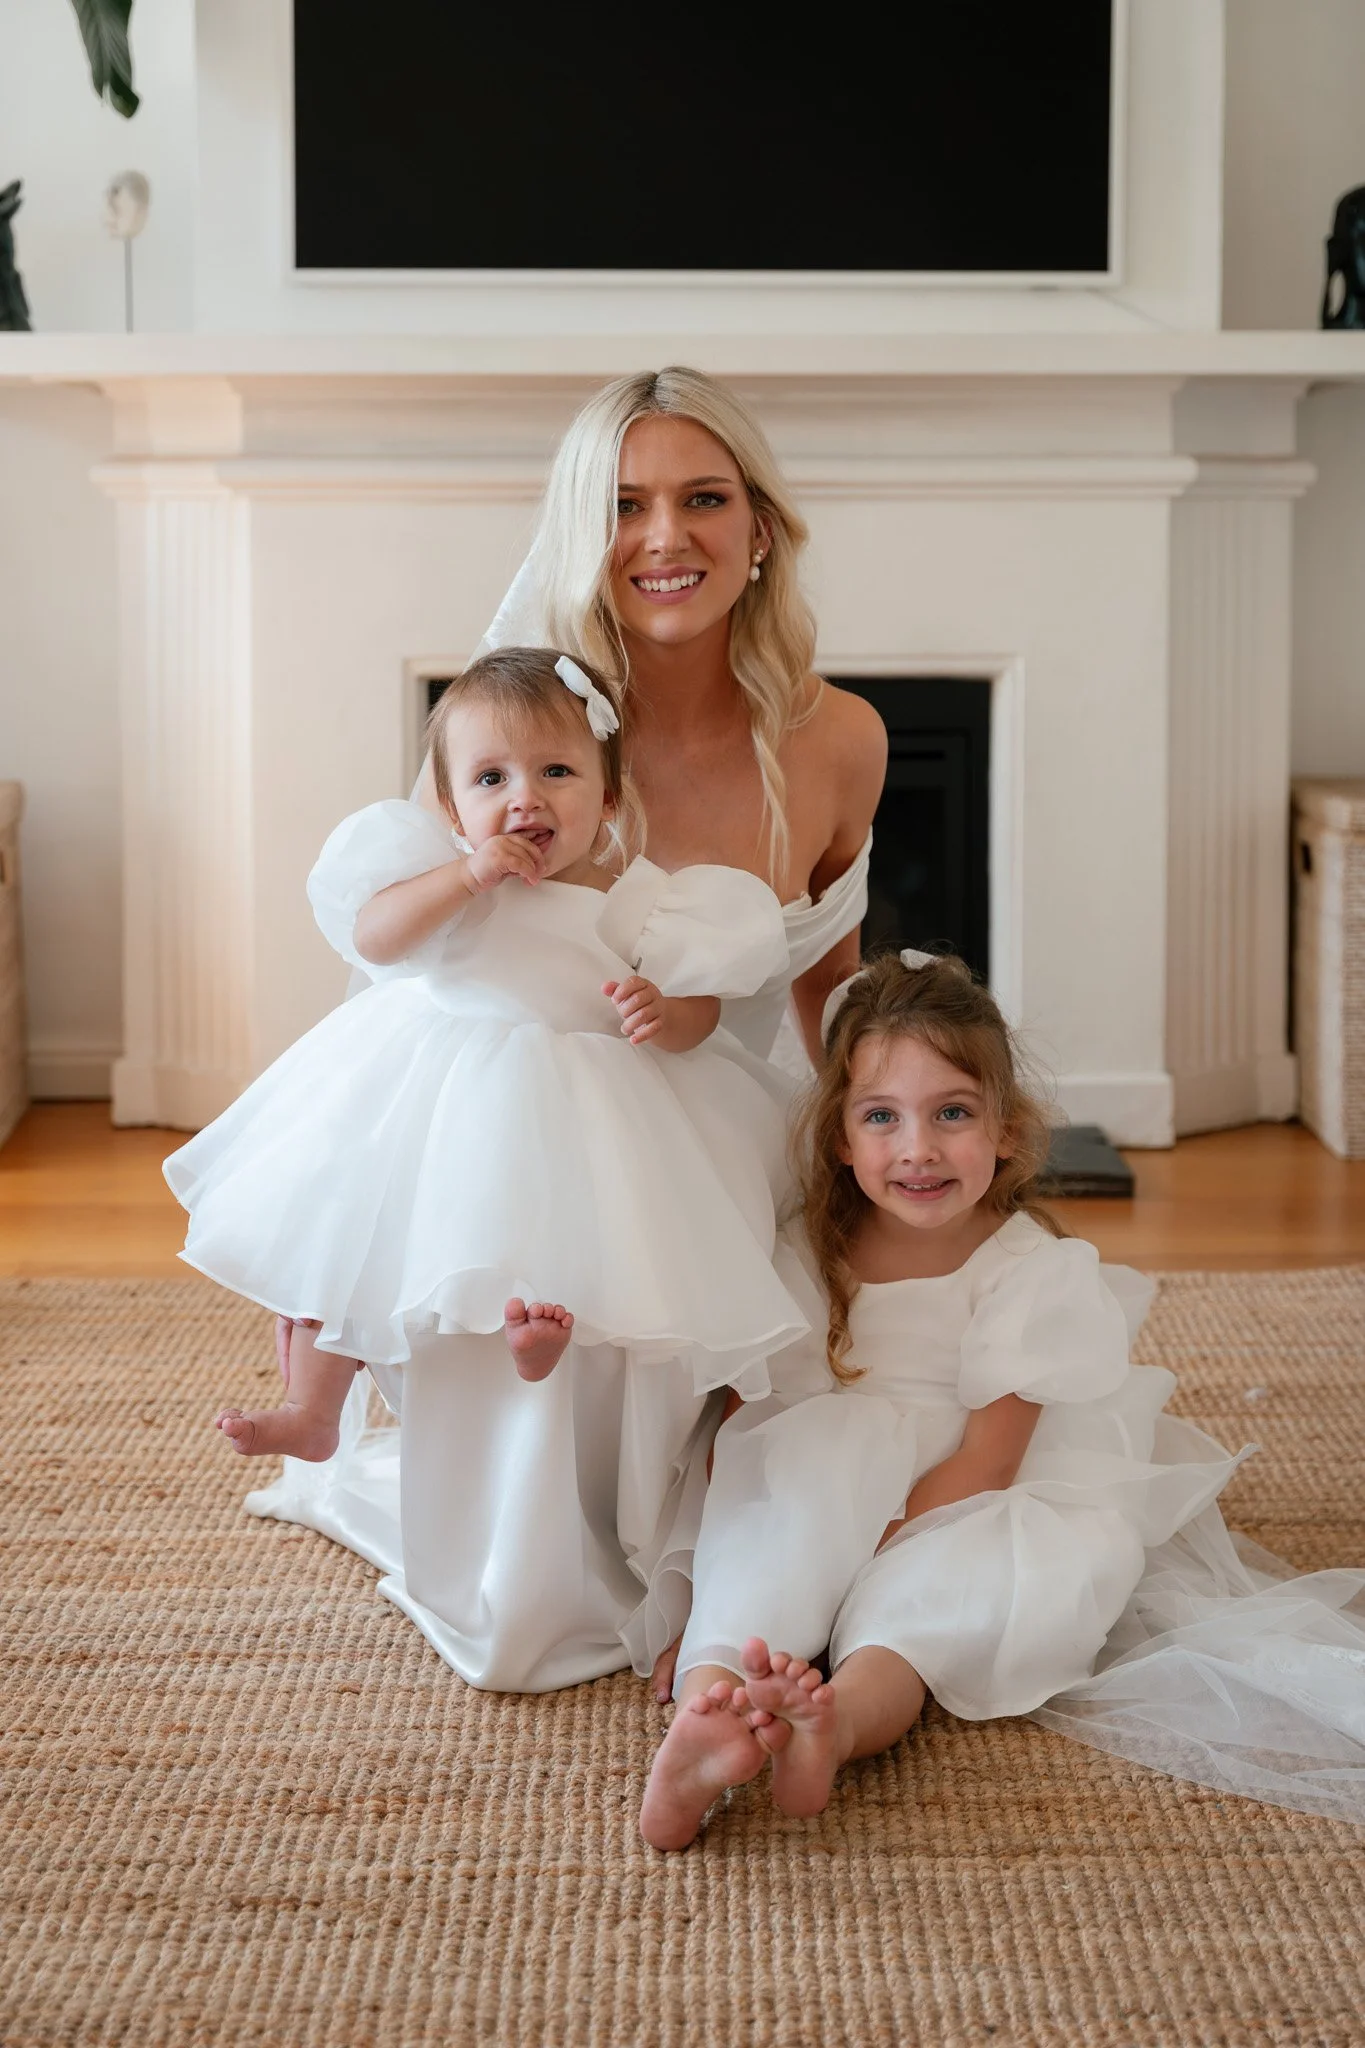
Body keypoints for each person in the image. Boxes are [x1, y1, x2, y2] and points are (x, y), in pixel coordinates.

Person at [227, 368, 889, 1693]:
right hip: (514, 1110)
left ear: (760, 527)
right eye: (624, 505)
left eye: (703, 499)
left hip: (699, 1104)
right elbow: (419, 966)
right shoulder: (520, 726)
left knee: (819, 1403)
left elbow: (829, 980)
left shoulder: (840, 740)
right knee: (539, 1278)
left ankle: (699, 1580)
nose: (663, 538)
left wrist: (865, 1165)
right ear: (581, 531)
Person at [641, 952, 1365, 1848]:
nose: (918, 1148)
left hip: (972, 1492)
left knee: (934, 1606)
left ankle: (834, 1726)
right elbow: (748, 1433)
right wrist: (706, 1596)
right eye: (881, 1117)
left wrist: (865, 1561)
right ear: (839, 1137)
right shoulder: (805, 1248)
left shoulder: (1028, 1269)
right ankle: (706, 1709)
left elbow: (989, 1460)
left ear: (1008, 1131)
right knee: (775, 1524)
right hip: (830, 1459)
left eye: (952, 1113)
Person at [166, 649, 807, 1481]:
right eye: (491, 779)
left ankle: (538, 1341)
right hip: (426, 1086)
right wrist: (463, 878)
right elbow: (375, 940)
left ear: (608, 796)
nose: (524, 799)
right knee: (347, 1224)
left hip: (586, 1095)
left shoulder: (641, 901)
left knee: (570, 1216)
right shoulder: (444, 879)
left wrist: (665, 1011)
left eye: (555, 772)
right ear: (450, 805)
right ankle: (315, 1409)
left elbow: (702, 1007)